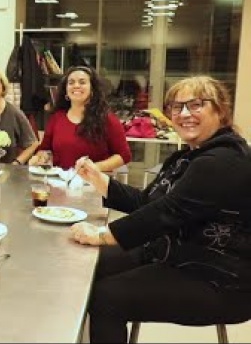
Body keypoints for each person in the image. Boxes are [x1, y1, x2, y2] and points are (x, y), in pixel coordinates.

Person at [69, 76, 251, 343]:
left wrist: (102, 235)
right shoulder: (189, 156)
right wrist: (100, 180)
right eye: (177, 107)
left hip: (219, 279)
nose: (184, 114)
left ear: (221, 110)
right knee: (87, 265)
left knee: (107, 297)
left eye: (196, 105)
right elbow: (150, 203)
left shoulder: (224, 160)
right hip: (173, 253)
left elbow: (167, 213)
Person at [29, 66, 131, 171]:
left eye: (82, 82)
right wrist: (39, 158)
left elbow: (124, 155)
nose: (76, 86)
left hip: (94, 183)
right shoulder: (57, 118)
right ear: (66, 90)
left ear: (92, 89)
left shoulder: (107, 119)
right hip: (60, 182)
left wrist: (94, 168)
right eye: (71, 82)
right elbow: (45, 149)